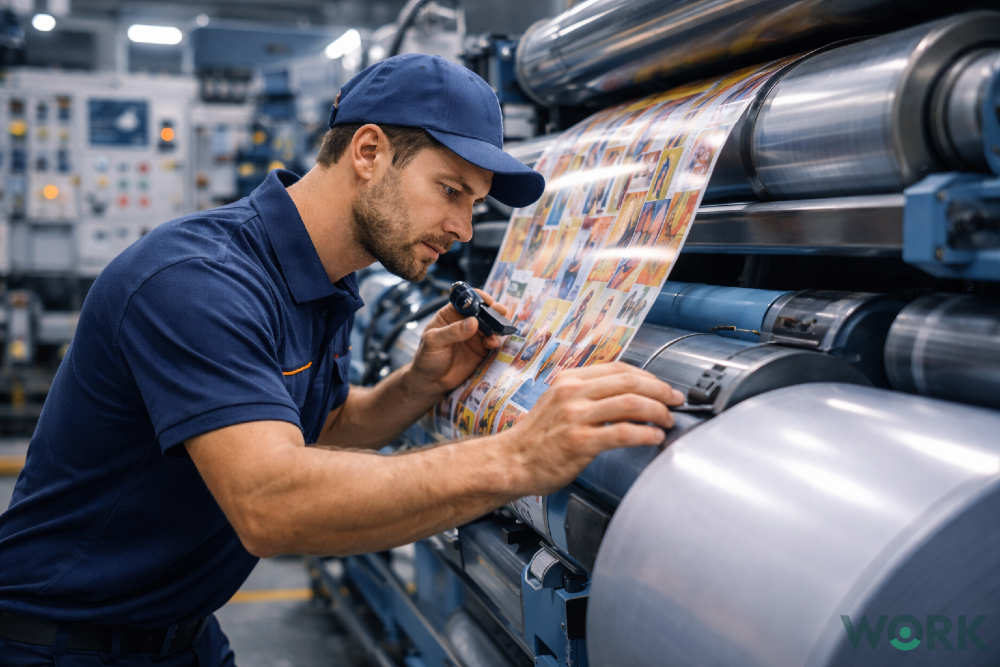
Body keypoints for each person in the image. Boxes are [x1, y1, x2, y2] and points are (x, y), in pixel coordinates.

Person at [0, 54, 683, 666]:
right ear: (367, 151)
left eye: (474, 205)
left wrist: (416, 385)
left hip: (177, 631)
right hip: (62, 639)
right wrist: (521, 458)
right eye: (450, 190)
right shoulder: (197, 282)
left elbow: (311, 429)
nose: (464, 229)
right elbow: (273, 502)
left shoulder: (324, 280)